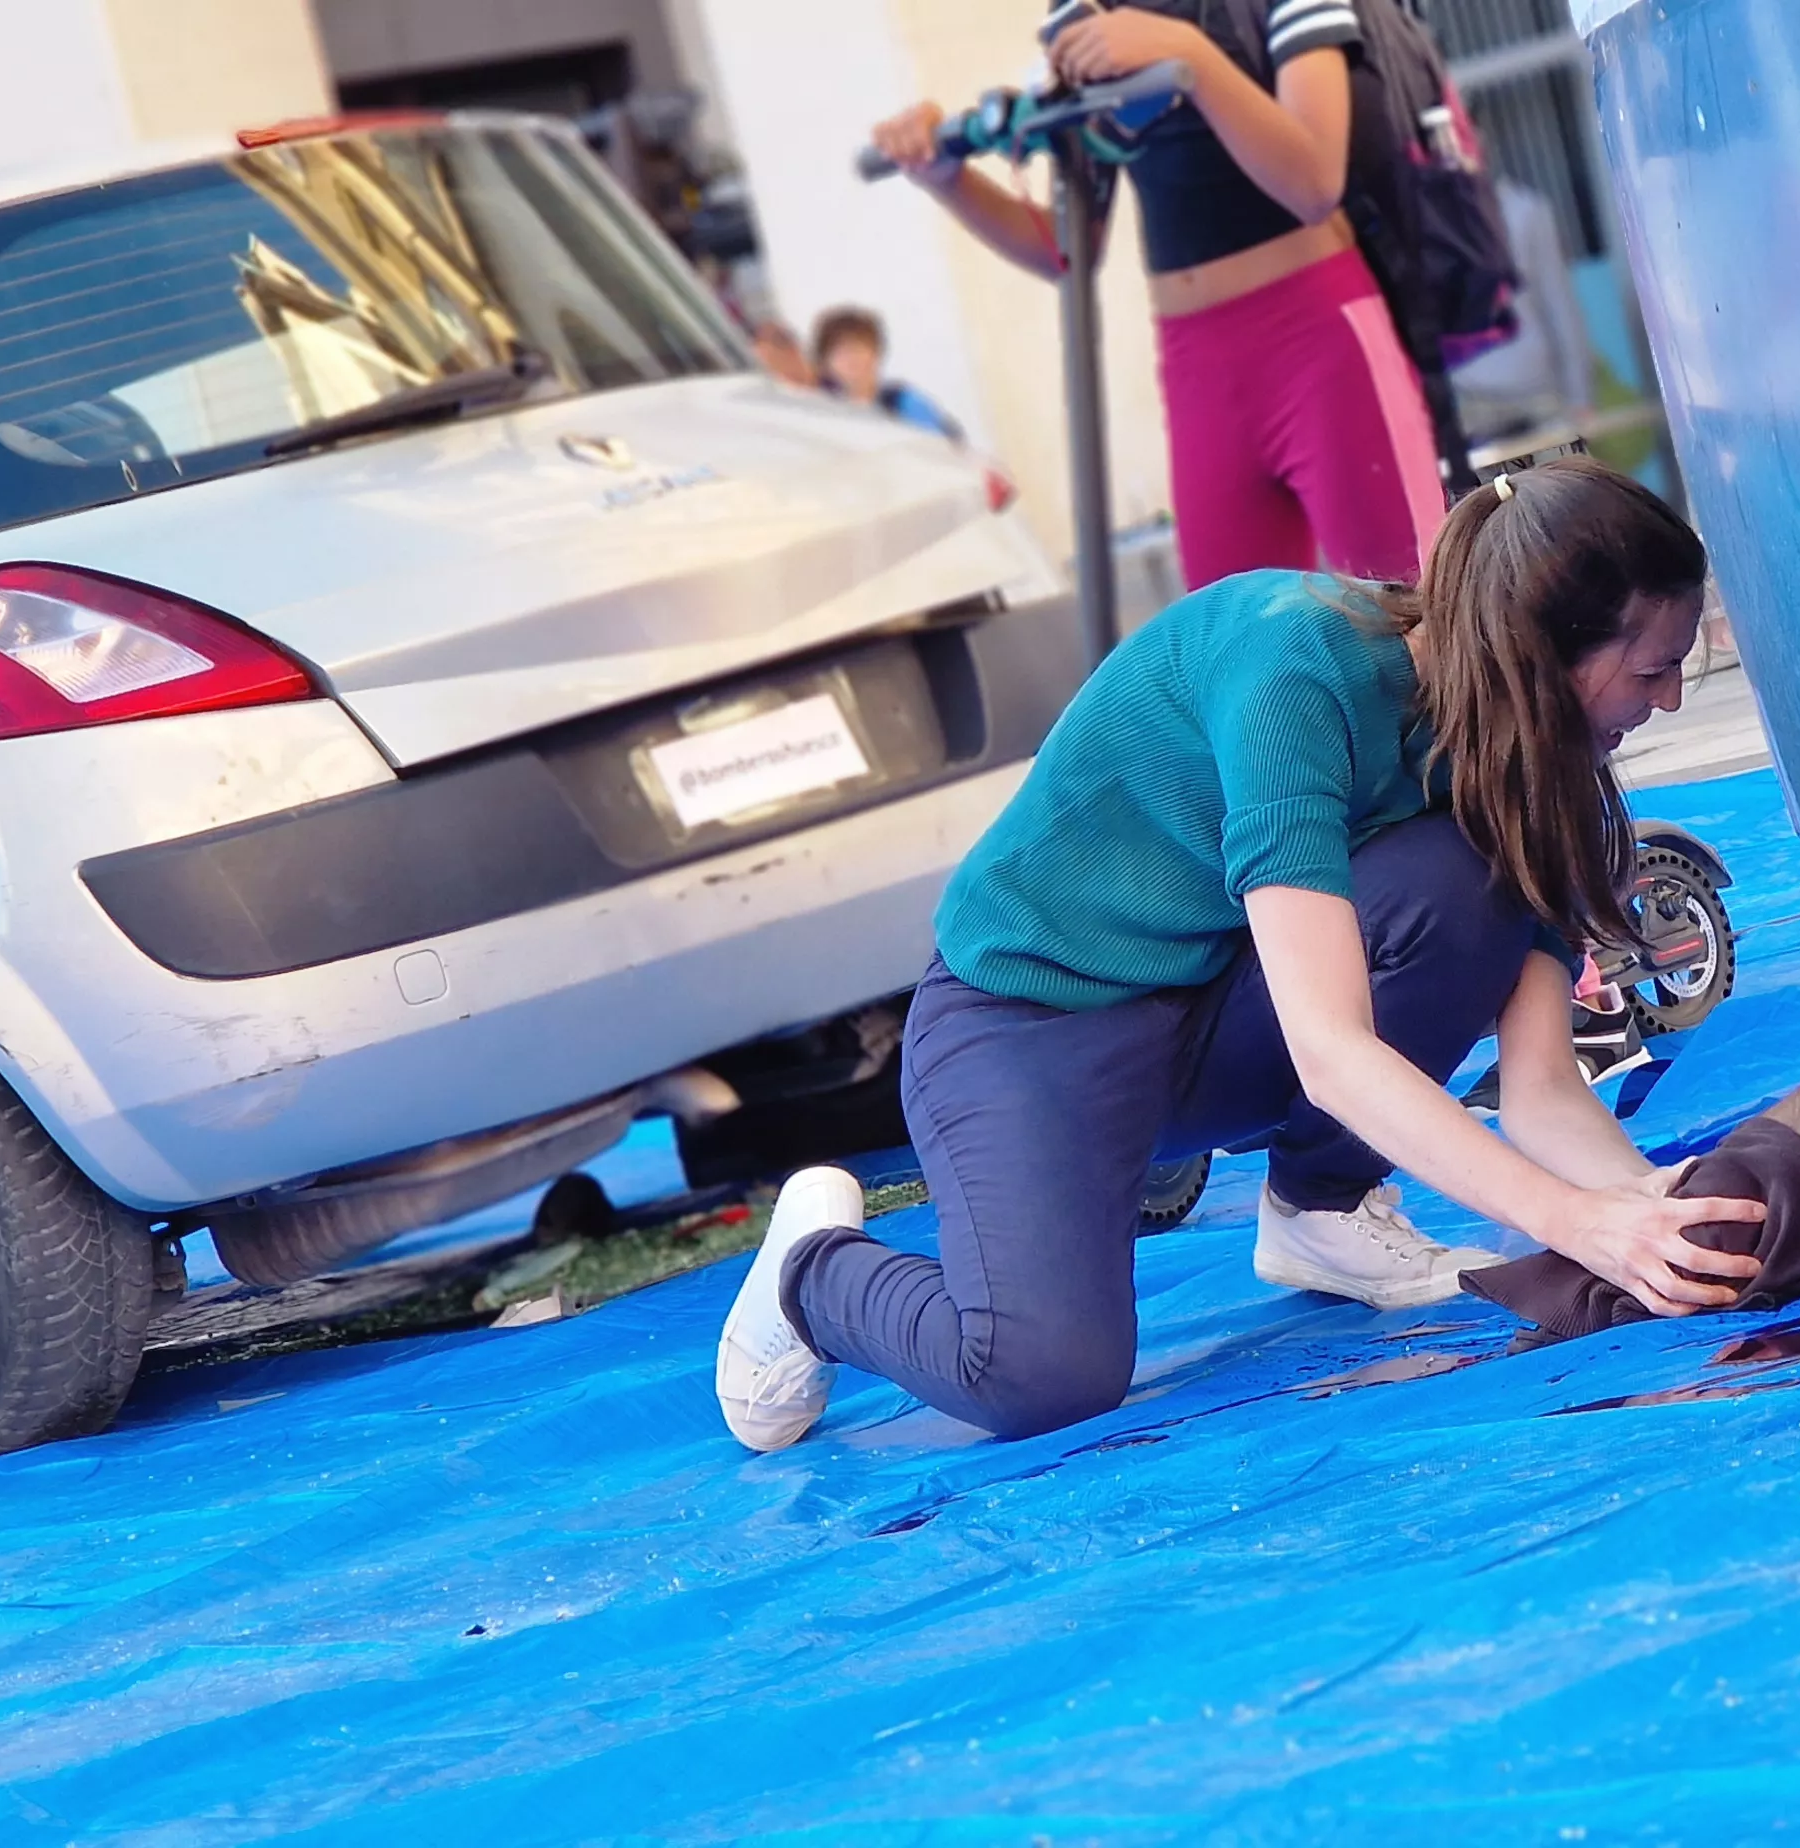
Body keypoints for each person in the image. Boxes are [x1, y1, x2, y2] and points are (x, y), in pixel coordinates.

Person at [714, 460, 1745, 1450]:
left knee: (1463, 873)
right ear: (1537, 650)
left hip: (1213, 1007)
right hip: (1032, 1029)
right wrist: (1567, 1219)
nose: (1668, 702)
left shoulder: (1523, 759)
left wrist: (1657, 1216)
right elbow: (1332, 1051)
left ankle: (1320, 1206)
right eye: (1653, 669)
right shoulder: (1294, 670)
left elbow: (1541, 1093)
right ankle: (811, 1273)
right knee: (1040, 1375)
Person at [871, 0, 1444, 590]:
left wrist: (1187, 51)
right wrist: (946, 179)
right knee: (1226, 650)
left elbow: (1314, 181)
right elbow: (1068, 247)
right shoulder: (1082, 11)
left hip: (1320, 340)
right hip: (1198, 365)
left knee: (1415, 613)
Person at [811, 306, 968, 442]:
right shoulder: (824, 411)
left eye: (859, 348)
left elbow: (939, 449)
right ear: (825, 364)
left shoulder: (902, 400)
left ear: (876, 352)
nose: (851, 358)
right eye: (840, 352)